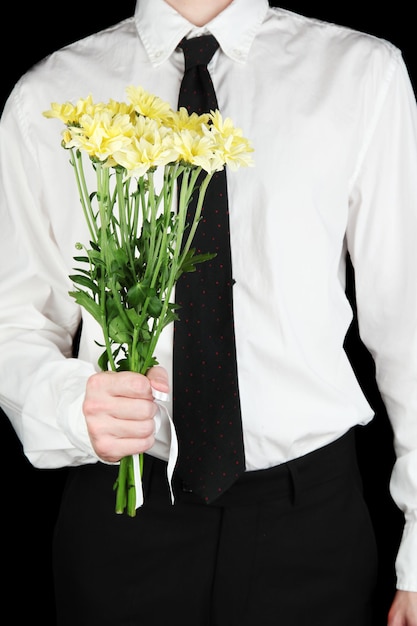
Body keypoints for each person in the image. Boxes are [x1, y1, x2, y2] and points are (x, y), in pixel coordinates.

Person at [0, 1, 416, 624]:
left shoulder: (360, 75)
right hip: (124, 520)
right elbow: (15, 322)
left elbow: (408, 321)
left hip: (312, 530)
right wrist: (68, 404)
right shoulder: (50, 96)